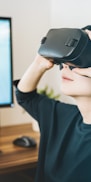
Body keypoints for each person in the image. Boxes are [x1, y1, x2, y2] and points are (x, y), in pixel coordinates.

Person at [15, 29, 91, 182]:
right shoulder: (62, 117)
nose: (66, 66)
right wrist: (39, 63)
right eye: (65, 61)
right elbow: (26, 97)